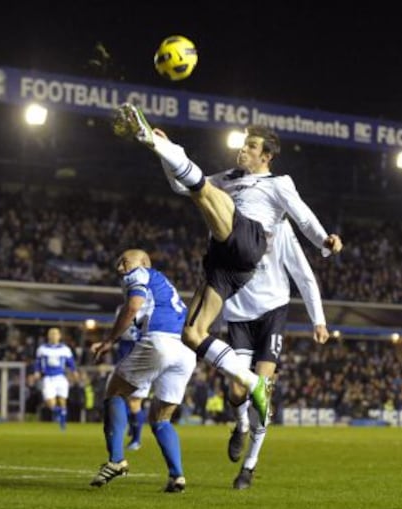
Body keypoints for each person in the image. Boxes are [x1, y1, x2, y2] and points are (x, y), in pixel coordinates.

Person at [113, 103, 342, 427]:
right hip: (224, 264)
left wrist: (324, 241)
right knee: (192, 334)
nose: (243, 149)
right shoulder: (227, 178)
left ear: (266, 156)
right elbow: (180, 184)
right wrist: (165, 156)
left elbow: (303, 216)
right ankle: (253, 385)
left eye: (251, 146)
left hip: (250, 240)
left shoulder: (278, 183)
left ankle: (150, 138)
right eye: (244, 143)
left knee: (203, 191)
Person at [223, 218, 330, 489]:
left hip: (273, 311)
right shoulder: (230, 220)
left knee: (261, 391)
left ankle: (249, 466)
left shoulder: (281, 226)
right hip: (238, 314)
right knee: (236, 390)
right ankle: (241, 425)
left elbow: (303, 273)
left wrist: (318, 320)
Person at [89, 249, 196, 493]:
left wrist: (109, 341)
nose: (120, 267)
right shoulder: (166, 285)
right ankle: (177, 476)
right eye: (118, 262)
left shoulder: (139, 274)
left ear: (143, 262)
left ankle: (116, 460)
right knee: (161, 418)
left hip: (161, 342)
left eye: (124, 261)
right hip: (186, 352)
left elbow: (133, 306)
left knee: (114, 392)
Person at [33, 327, 79, 430]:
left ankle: (62, 423)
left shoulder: (65, 349)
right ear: (48, 336)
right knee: (50, 402)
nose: (53, 336)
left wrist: (74, 372)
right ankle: (59, 413)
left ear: (59, 336)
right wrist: (36, 372)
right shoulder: (42, 349)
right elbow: (37, 363)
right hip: (48, 378)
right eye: (51, 334)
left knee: (63, 400)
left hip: (60, 377)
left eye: (55, 334)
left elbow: (71, 362)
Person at [113, 308, 146, 451]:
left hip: (141, 361)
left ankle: (136, 439)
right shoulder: (123, 308)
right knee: (123, 398)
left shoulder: (127, 309)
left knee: (134, 402)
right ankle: (133, 426)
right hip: (125, 359)